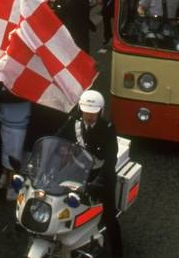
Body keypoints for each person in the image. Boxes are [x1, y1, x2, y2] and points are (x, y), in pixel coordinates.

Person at [56, 90, 122, 257]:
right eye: (86, 112)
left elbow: (110, 160)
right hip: (79, 171)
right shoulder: (73, 122)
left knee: (109, 217)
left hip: (101, 174)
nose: (89, 116)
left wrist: (98, 182)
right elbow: (57, 141)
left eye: (93, 113)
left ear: (100, 111)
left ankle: (117, 252)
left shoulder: (107, 128)